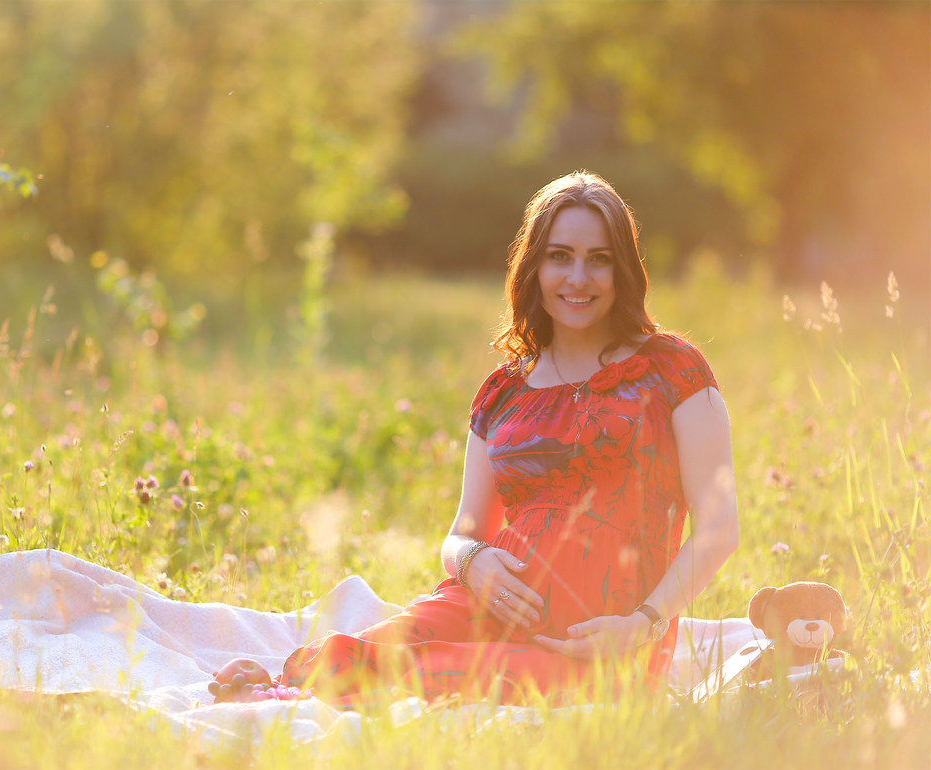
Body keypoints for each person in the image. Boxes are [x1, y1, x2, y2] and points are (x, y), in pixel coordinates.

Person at [213, 171, 739, 705]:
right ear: (534, 267)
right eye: (559, 256)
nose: (578, 277)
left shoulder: (671, 371)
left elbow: (719, 529)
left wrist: (643, 622)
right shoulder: (503, 391)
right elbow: (463, 533)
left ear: (622, 267)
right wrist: (473, 562)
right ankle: (276, 690)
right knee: (367, 652)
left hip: (608, 639)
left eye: (598, 259)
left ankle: (297, 693)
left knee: (439, 673)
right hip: (486, 605)